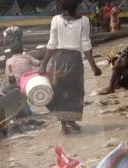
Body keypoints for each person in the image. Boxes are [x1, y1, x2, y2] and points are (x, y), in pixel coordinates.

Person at [39, 0, 102, 134]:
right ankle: (70, 121)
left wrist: (44, 64)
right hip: (74, 61)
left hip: (59, 60)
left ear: (64, 9)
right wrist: (94, 66)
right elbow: (86, 44)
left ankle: (64, 125)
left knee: (60, 92)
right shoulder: (84, 21)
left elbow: (52, 43)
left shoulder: (55, 20)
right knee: (75, 92)